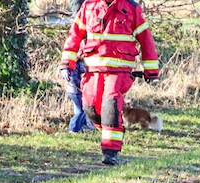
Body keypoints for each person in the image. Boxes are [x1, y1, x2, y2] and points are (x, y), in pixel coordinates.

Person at [61, 0, 160, 166]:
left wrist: (151, 70)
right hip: (93, 69)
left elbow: (146, 40)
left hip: (119, 70)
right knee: (90, 107)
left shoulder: (131, 8)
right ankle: (109, 129)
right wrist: (66, 63)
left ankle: (110, 152)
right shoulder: (89, 6)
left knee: (111, 103)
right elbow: (74, 35)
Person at [61, 0, 94, 134]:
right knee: (82, 108)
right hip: (76, 88)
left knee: (80, 108)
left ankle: (83, 127)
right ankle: (74, 129)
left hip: (74, 87)